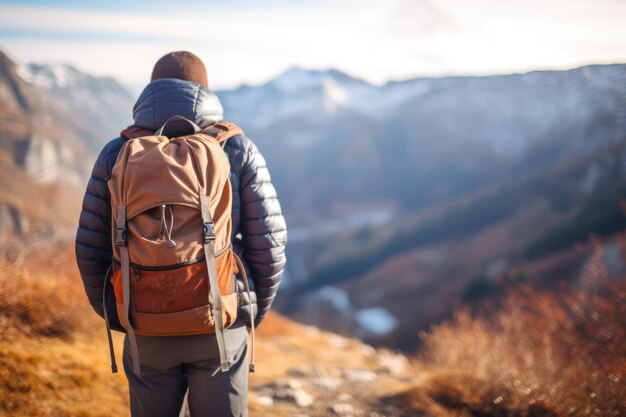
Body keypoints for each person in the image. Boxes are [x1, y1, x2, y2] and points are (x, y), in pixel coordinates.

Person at [75, 51, 287, 417]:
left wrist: (120, 313)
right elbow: (269, 244)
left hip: (144, 324)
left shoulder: (116, 153)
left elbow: (90, 247)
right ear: (204, 91)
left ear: (151, 91)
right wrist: (246, 310)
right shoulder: (236, 149)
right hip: (220, 321)